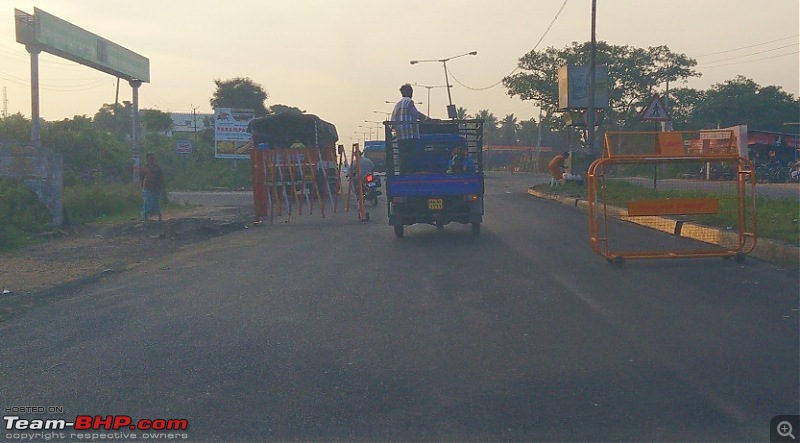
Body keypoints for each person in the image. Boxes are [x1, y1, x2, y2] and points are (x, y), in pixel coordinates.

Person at [391, 84, 429, 174]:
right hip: (410, 136)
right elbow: (417, 114)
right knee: (413, 158)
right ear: (411, 93)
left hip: (401, 137)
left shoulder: (398, 105)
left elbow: (392, 121)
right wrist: (428, 119)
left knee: (403, 159)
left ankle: (404, 174)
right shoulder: (409, 102)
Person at [140, 152, 165, 221]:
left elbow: (161, 178)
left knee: (156, 203)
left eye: (153, 158)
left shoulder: (157, 168)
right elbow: (141, 178)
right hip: (147, 188)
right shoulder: (144, 168)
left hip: (156, 188)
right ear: (147, 159)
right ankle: (145, 217)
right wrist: (142, 186)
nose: (153, 159)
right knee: (147, 202)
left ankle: (159, 216)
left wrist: (162, 187)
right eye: (151, 158)